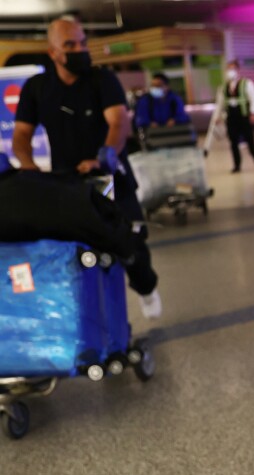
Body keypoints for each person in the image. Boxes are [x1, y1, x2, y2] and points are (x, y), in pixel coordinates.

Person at [12, 17, 161, 318]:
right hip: (67, 184)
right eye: (70, 45)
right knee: (76, 248)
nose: (79, 49)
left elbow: (118, 121)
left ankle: (146, 288)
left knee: (131, 243)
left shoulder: (102, 80)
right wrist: (27, 165)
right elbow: (22, 135)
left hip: (110, 175)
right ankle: (87, 312)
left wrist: (102, 155)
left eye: (83, 43)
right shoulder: (37, 88)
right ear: (53, 52)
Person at [221, 59, 254, 173]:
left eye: (232, 68)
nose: (230, 71)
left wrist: (253, 112)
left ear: (238, 70)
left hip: (244, 116)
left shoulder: (246, 83)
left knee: (249, 138)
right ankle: (237, 165)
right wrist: (221, 116)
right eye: (228, 69)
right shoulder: (224, 87)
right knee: (233, 141)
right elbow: (222, 102)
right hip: (231, 118)